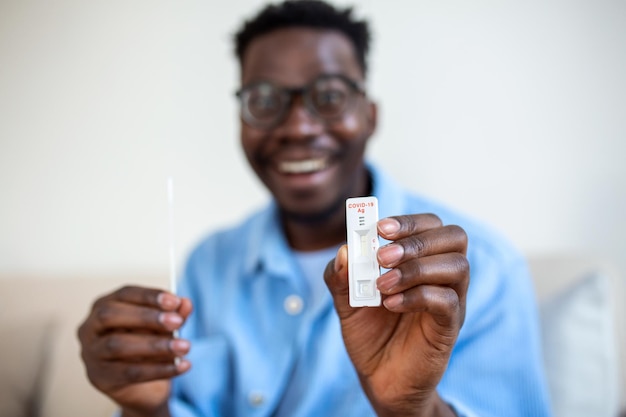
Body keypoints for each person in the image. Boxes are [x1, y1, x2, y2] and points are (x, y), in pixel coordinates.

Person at [77, 1, 553, 416]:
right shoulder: (209, 264)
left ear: (370, 116)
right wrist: (148, 409)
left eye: (328, 96)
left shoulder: (480, 270)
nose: (299, 127)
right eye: (264, 100)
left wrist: (412, 411)